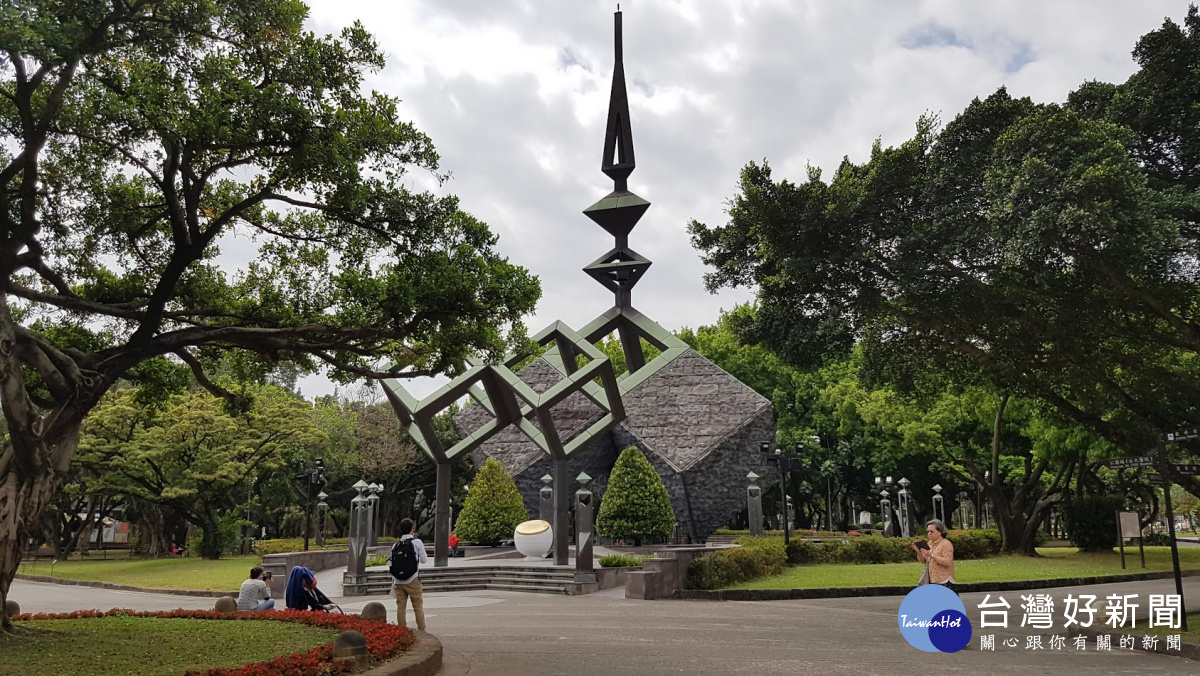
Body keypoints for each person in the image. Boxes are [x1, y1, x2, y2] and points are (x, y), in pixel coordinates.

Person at [390, 518, 428, 631]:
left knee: (400, 607)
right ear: (412, 530)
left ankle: (402, 631)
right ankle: (422, 630)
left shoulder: (395, 545)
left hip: (398, 581)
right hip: (413, 579)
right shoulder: (417, 542)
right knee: (418, 607)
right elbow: (424, 560)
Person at [911, 519, 956, 589]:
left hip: (944, 579)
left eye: (932, 531)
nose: (929, 533)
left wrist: (931, 555)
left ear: (940, 531)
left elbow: (948, 561)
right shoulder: (929, 543)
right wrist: (919, 552)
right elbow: (924, 561)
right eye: (928, 532)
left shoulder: (946, 543)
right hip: (932, 579)